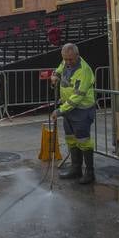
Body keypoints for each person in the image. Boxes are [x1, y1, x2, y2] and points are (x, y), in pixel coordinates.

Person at [51, 43, 96, 184]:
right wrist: (55, 75)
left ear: (77, 55)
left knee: (83, 141)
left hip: (81, 110)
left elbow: (77, 97)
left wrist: (59, 111)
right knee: (70, 138)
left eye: (70, 59)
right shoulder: (65, 61)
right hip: (68, 110)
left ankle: (89, 172)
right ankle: (76, 168)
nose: (68, 62)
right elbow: (59, 68)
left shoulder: (84, 71)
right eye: (65, 59)